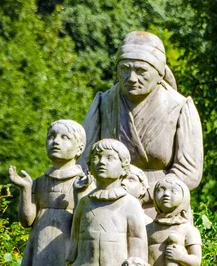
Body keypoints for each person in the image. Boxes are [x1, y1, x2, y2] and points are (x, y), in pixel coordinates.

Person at [82, 31, 203, 214]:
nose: (131, 78)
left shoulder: (180, 107)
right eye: (125, 69)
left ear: (159, 73)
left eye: (141, 71)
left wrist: (143, 192)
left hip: (160, 207)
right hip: (107, 204)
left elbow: (190, 171)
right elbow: (84, 160)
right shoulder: (104, 103)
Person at [10, 119, 88, 266]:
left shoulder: (81, 181)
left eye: (65, 138)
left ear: (79, 147)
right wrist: (25, 189)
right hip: (41, 245)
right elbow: (27, 220)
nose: (56, 142)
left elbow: (84, 218)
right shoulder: (40, 182)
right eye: (52, 136)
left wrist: (81, 194)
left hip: (67, 242)